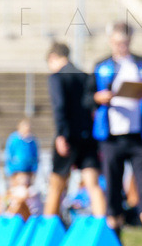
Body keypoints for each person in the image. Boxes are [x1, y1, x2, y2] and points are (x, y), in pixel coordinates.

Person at [88, 21, 142, 246]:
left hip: (139, 135)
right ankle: (115, 239)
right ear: (110, 42)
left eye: (124, 42)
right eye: (117, 43)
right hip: (111, 136)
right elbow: (87, 98)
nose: (121, 46)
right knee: (113, 186)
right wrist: (98, 97)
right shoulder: (101, 66)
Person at [45, 41, 107, 219]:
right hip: (88, 135)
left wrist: (61, 135)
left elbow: (59, 106)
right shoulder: (84, 76)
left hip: (68, 136)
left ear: (53, 58)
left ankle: (49, 230)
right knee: (93, 185)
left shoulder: (57, 77)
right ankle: (102, 228)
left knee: (56, 185)